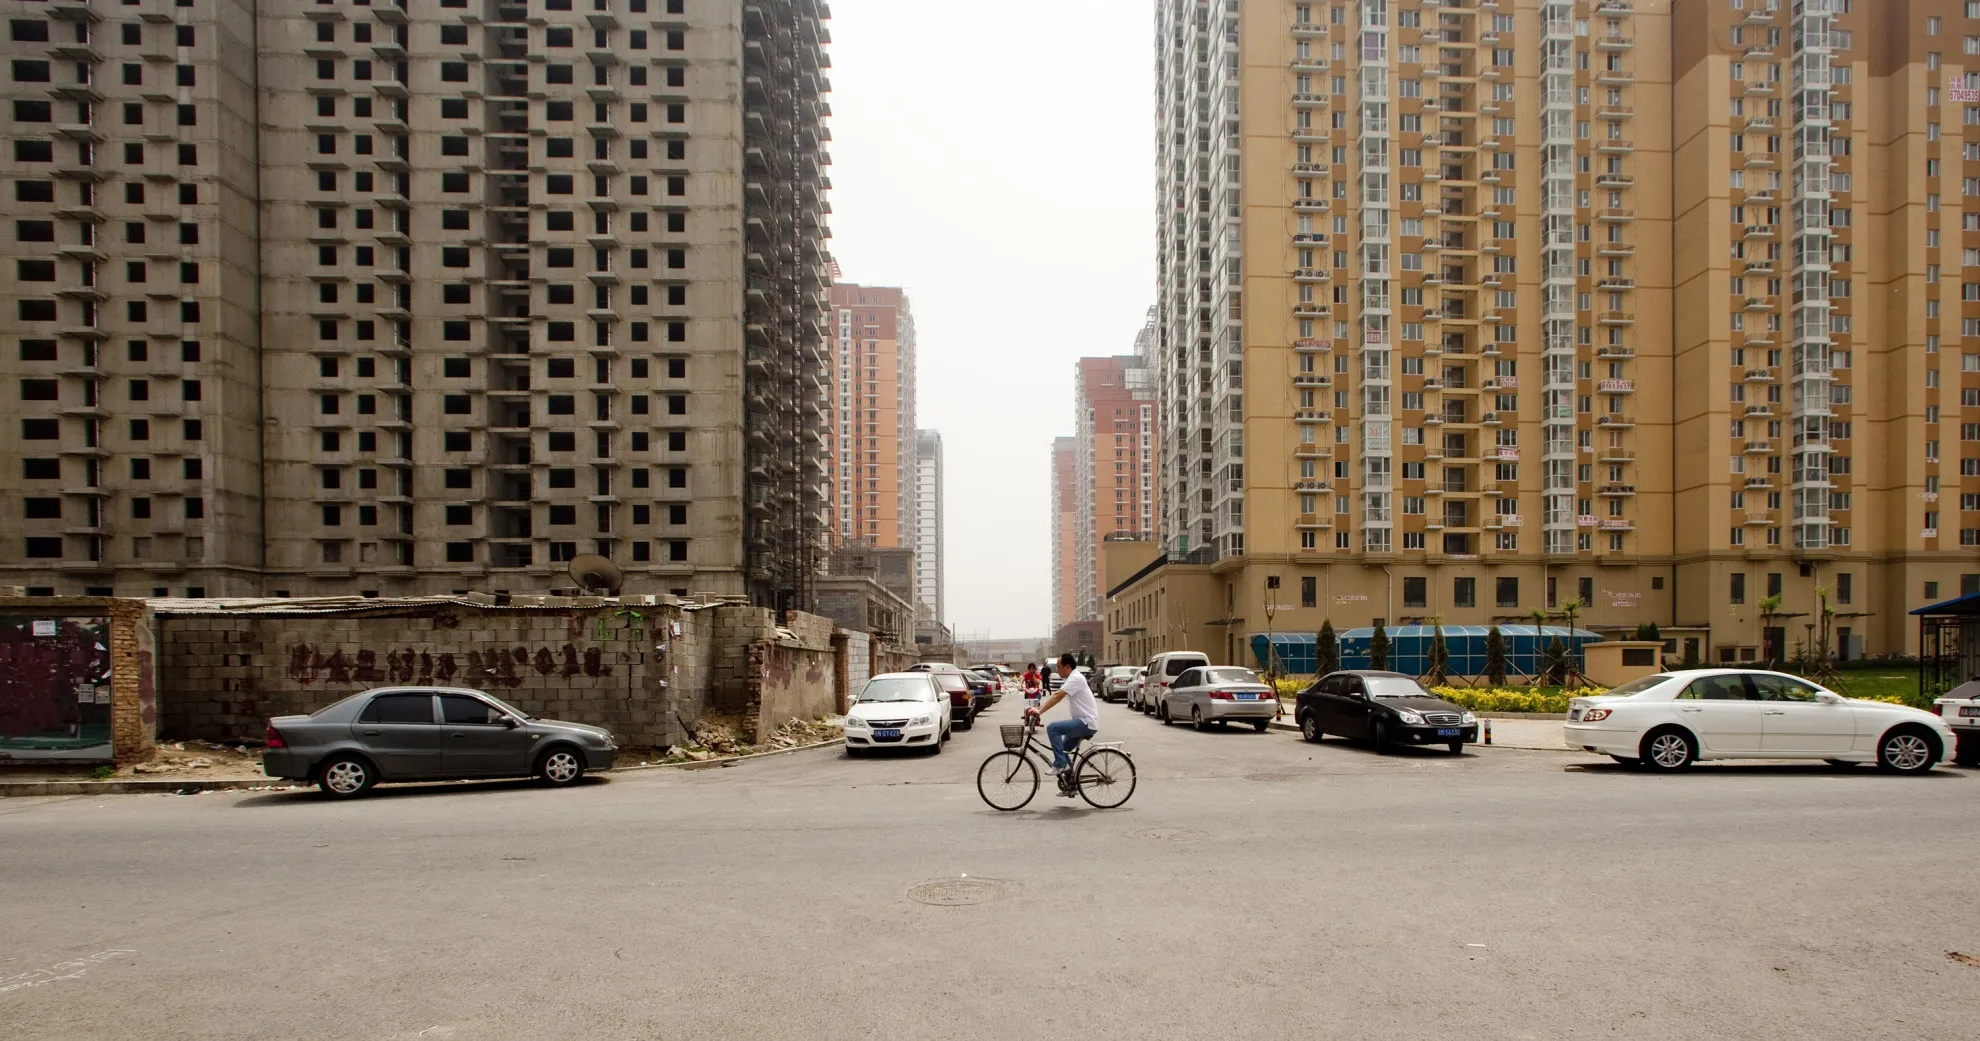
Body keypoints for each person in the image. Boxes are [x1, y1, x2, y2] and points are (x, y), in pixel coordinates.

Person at [1025, 652, 1099, 797]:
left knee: (1052, 728)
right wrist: (1039, 710)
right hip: (1083, 722)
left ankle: (1060, 764)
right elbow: (1057, 695)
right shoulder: (1073, 677)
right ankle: (1071, 785)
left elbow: (1057, 696)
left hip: (1085, 723)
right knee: (1063, 752)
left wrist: (1039, 712)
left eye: (1059, 667)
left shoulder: (1075, 678)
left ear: (1067, 666)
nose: (1057, 671)